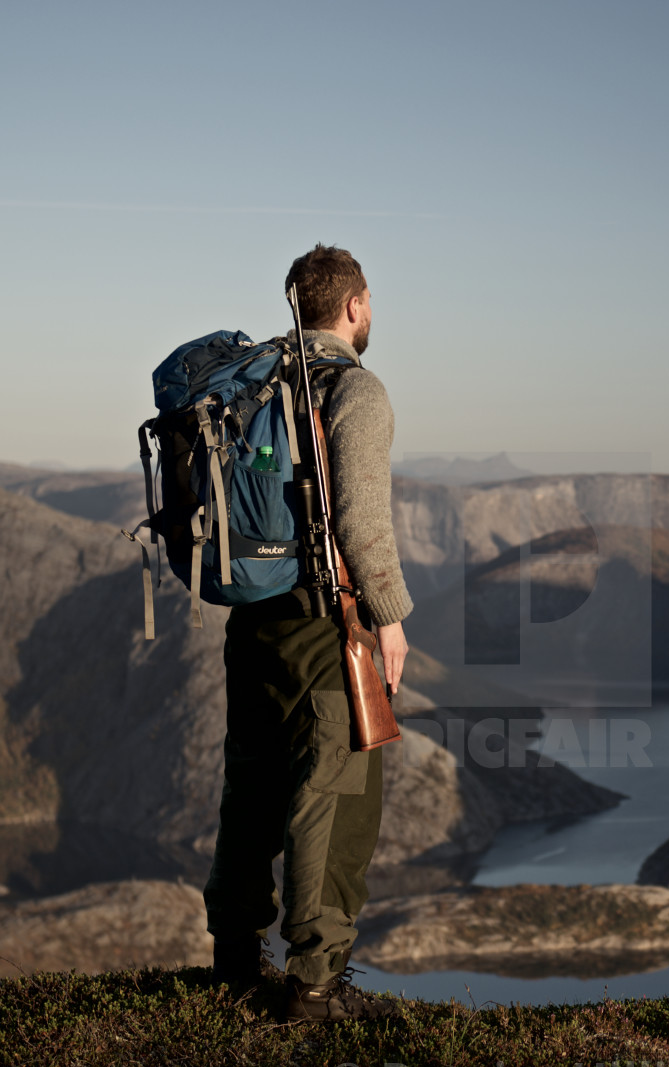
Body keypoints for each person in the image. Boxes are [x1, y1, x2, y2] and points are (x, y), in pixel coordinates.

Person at [202, 244, 413, 1022]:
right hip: (326, 625)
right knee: (337, 793)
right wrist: (387, 620)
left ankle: (233, 957)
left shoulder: (253, 381)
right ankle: (316, 986)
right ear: (355, 305)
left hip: (251, 620)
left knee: (251, 786)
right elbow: (361, 518)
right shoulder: (352, 388)